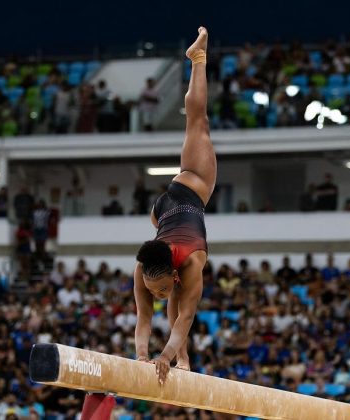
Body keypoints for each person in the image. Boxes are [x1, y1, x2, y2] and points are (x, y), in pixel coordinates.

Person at [134, 27, 216, 385]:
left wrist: (163, 355)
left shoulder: (194, 263)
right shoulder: (145, 271)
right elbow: (143, 320)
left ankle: (197, 59)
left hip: (190, 184)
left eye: (161, 288)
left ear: (174, 270)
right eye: (157, 291)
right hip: (162, 212)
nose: (157, 294)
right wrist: (140, 359)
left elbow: (184, 320)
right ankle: (184, 360)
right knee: (171, 304)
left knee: (198, 123)